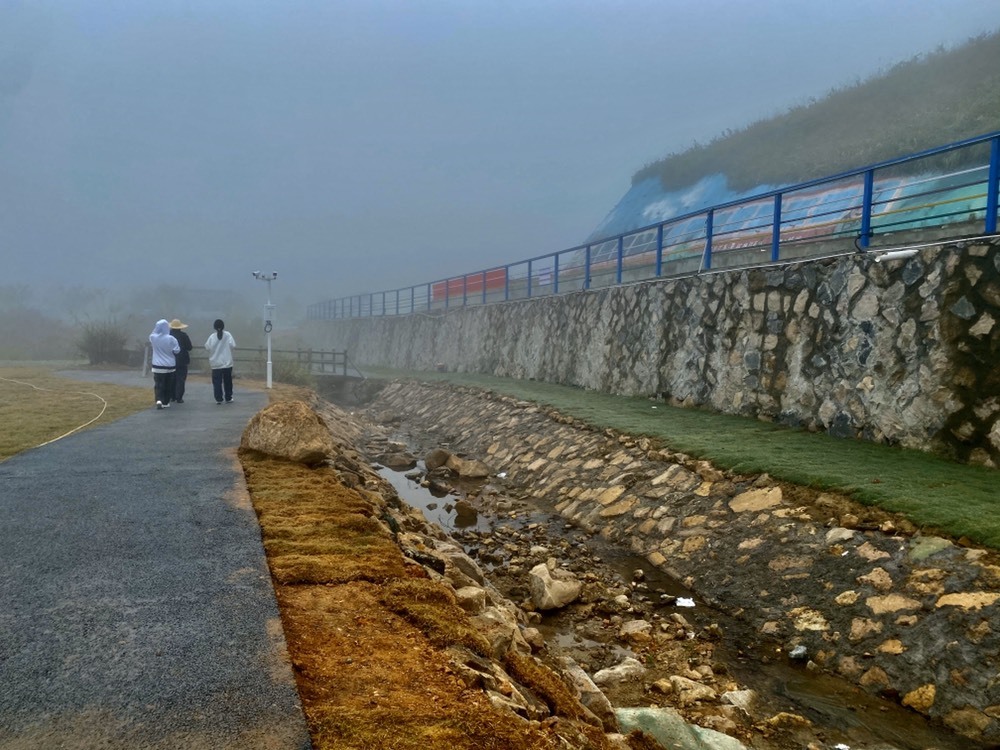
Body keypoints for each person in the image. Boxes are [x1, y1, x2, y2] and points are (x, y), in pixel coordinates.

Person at [149, 319, 180, 409]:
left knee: (158, 383)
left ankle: (159, 399)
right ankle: (166, 402)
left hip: (157, 365)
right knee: (168, 384)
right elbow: (177, 351)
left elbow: (153, 333)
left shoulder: (153, 338)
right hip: (170, 365)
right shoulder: (171, 339)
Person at [205, 318, 236, 404]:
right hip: (227, 363)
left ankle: (218, 398)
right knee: (228, 381)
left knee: (217, 382)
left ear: (214, 327)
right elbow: (233, 345)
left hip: (215, 363)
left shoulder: (212, 337)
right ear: (223, 326)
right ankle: (228, 397)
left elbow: (207, 347)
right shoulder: (228, 335)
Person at [169, 319, 193, 403]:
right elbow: (189, 347)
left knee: (171, 378)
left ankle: (172, 396)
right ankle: (179, 397)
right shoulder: (184, 336)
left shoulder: (168, 335)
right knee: (181, 379)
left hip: (170, 359)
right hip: (182, 360)